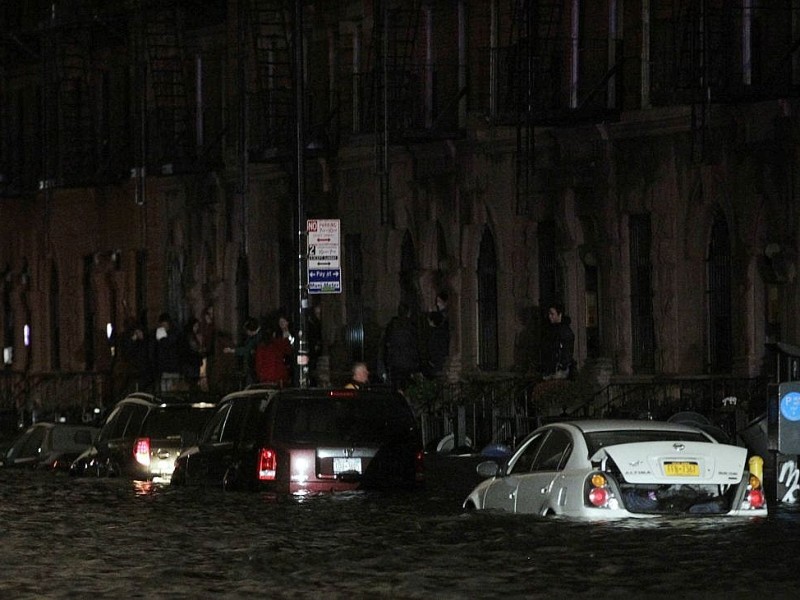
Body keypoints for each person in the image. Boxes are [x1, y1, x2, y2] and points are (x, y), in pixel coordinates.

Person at [382, 302, 420, 391]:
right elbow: (415, 345)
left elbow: (386, 344)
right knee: (408, 387)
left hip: (395, 363)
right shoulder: (411, 326)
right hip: (408, 363)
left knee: (397, 387)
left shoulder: (392, 326)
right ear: (408, 313)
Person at [223, 317, 262, 386]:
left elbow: (247, 349)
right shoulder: (253, 337)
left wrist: (232, 351)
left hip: (254, 366)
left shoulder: (257, 338)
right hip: (252, 366)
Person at [542, 302, 575, 380]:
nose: (550, 316)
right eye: (549, 314)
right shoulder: (551, 330)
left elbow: (566, 350)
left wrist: (562, 366)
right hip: (551, 368)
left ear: (559, 315)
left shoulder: (564, 331)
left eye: (552, 314)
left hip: (559, 370)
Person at [151, 312, 182, 391]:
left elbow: (169, 345)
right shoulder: (161, 334)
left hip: (172, 368)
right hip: (164, 368)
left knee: (172, 391)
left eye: (165, 324)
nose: (163, 327)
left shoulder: (174, 334)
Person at [181, 317, 206, 390]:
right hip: (192, 362)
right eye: (195, 326)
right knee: (192, 381)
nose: (197, 328)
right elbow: (195, 348)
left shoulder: (190, 336)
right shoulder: (190, 336)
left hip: (192, 362)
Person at [424, 309, 449, 378]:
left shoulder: (437, 334)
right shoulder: (439, 333)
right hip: (436, 363)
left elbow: (437, 349)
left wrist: (434, 361)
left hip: (437, 364)